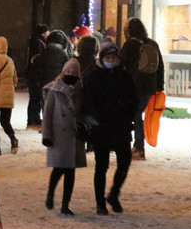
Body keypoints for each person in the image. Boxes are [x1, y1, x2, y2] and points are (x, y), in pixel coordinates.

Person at [81, 42, 138, 214]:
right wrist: (95, 119)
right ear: (102, 58)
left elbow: (133, 100)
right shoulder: (93, 77)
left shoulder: (125, 77)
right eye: (108, 58)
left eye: (114, 58)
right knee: (101, 166)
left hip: (121, 126)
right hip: (102, 128)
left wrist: (128, 117)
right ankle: (100, 203)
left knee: (124, 161)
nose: (111, 61)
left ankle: (114, 193)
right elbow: (87, 101)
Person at [42, 59, 86, 215]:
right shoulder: (54, 90)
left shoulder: (81, 90)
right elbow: (47, 114)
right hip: (58, 135)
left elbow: (83, 113)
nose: (71, 75)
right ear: (63, 72)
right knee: (58, 169)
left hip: (74, 136)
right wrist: (47, 135)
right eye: (68, 72)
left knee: (70, 172)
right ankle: (50, 194)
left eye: (74, 73)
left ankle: (65, 205)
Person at [118, 18, 164, 161]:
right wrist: (159, 86)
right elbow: (160, 66)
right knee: (137, 114)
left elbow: (121, 64)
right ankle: (137, 146)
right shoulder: (152, 44)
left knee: (135, 114)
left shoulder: (130, 45)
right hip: (149, 86)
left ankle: (138, 147)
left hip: (134, 85)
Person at [25, 24, 49, 127]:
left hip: (31, 74)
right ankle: (34, 118)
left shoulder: (33, 41)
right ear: (43, 33)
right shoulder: (38, 43)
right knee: (36, 97)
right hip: (36, 75)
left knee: (33, 97)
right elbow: (38, 59)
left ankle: (32, 118)